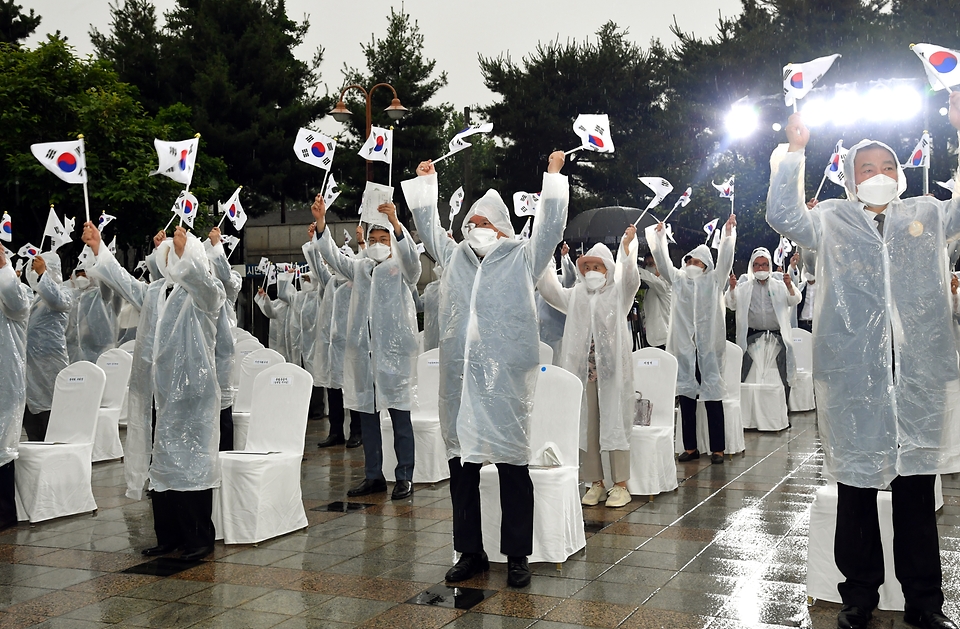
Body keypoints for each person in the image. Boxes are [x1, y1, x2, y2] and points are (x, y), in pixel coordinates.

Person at [767, 95, 960, 629]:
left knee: (915, 495)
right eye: (867, 168)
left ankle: (925, 604)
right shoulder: (831, 220)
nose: (879, 175)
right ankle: (859, 598)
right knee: (854, 495)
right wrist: (794, 150)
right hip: (855, 381)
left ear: (900, 174)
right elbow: (782, 215)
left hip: (914, 379)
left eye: (887, 166)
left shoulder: (925, 213)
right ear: (852, 178)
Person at [402, 150, 568, 589]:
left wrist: (552, 178)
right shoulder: (454, 256)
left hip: (505, 384)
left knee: (513, 468)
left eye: (485, 223)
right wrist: (427, 187)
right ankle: (469, 552)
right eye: (472, 223)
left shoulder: (521, 257)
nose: (476, 229)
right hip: (460, 383)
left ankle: (517, 557)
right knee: (462, 471)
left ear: (503, 228)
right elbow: (429, 229)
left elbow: (550, 230)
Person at [83, 222, 224, 561]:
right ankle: (169, 536)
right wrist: (98, 248)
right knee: (161, 465)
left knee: (190, 465)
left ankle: (199, 539)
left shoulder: (204, 293)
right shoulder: (154, 292)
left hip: (191, 394)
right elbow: (122, 280)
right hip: (159, 393)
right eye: (165, 255)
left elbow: (203, 282)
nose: (169, 258)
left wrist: (185, 249)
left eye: (175, 254)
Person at [309, 198, 421, 500]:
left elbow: (414, 265)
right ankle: (373, 475)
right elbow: (333, 256)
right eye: (373, 239)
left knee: (400, 418)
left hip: (393, 356)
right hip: (364, 356)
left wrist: (396, 224)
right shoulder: (360, 269)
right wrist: (321, 224)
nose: (376, 244)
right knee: (368, 416)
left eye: (383, 239)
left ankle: (404, 475)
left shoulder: (400, 267)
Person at [538, 227, 639, 508]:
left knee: (615, 421)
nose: (593, 271)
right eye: (588, 266)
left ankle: (620, 484)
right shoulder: (577, 295)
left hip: (613, 373)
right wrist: (545, 256)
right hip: (585, 373)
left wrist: (628, 249)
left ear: (608, 268)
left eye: (598, 266)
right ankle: (595, 481)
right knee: (588, 425)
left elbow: (631, 280)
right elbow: (549, 290)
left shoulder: (618, 293)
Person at [646, 214, 736, 465]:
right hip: (685, 349)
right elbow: (663, 263)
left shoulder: (715, 280)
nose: (693, 264)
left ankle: (718, 448)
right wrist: (660, 237)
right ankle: (691, 447)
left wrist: (729, 236)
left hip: (708, 348)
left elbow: (726, 261)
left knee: (713, 395)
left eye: (698, 261)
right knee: (686, 396)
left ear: (707, 264)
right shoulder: (679, 280)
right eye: (690, 260)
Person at [725, 246, 798, 402]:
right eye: (757, 265)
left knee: (782, 374)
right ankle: (746, 410)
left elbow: (794, 300)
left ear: (769, 266)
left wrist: (789, 286)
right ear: (752, 267)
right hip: (752, 336)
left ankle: (782, 408)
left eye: (764, 264)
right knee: (745, 373)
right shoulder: (745, 287)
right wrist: (732, 288)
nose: (760, 268)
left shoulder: (779, 285)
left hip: (777, 336)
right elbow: (731, 303)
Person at [22, 252, 73, 441]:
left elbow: (57, 299)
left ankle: (54, 452)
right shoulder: (37, 298)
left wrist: (43, 274)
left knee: (50, 411)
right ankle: (36, 448)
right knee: (33, 413)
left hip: (49, 363)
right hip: (32, 365)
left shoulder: (64, 292)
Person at [0, 247, 30, 529]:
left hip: (5, 383)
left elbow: (19, 303)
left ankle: (5, 513)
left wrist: (3, 267)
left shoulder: (12, 294)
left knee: (1, 448)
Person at [206, 227, 242, 451]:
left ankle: (226, 458)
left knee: (223, 412)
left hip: (221, 359)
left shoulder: (230, 284)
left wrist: (216, 246)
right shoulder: (199, 291)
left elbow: (228, 279)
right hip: (202, 360)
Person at [301, 227, 331, 421]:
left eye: (308, 278)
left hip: (323, 343)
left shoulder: (323, 292)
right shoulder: (302, 299)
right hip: (308, 346)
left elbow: (321, 273)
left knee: (323, 381)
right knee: (311, 378)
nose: (305, 282)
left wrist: (316, 244)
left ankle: (320, 411)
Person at [537, 242, 576, 363]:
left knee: (556, 367)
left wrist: (565, 258)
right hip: (538, 337)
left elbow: (570, 279)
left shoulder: (557, 283)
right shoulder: (535, 290)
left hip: (556, 338)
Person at [637, 252, 671, 350]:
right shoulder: (650, 288)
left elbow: (654, 281)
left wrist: (632, 268)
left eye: (651, 264)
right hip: (650, 337)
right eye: (646, 264)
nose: (647, 267)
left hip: (662, 339)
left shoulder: (665, 284)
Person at [422, 263, 442, 352]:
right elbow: (419, 305)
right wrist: (411, 285)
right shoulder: (432, 289)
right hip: (433, 341)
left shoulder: (461, 289)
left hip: (453, 342)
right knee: (432, 363)